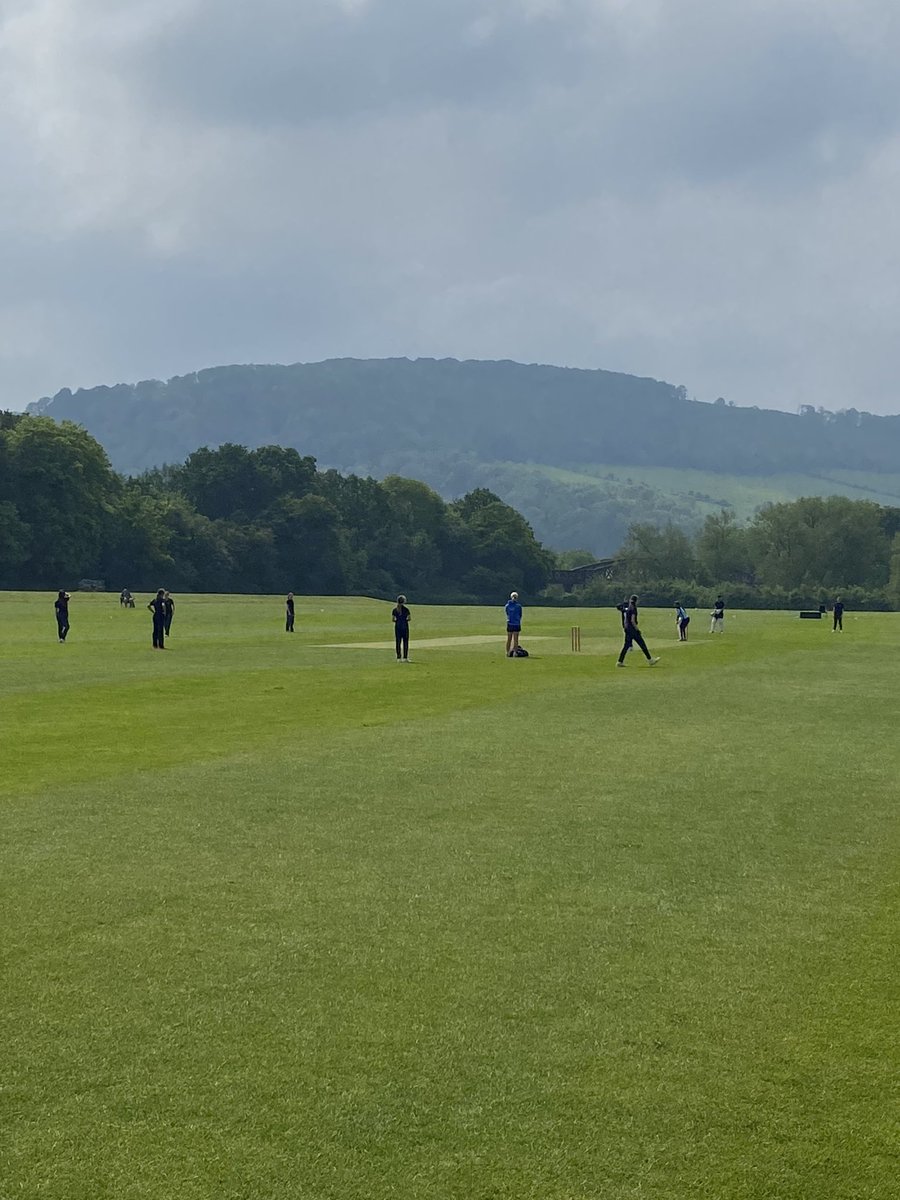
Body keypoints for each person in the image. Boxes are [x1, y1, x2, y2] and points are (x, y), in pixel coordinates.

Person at [616, 595, 660, 667]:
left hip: (627, 629)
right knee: (642, 644)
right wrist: (637, 629)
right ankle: (650, 660)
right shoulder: (633, 608)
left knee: (626, 646)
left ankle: (620, 661)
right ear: (636, 601)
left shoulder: (629, 607)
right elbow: (632, 620)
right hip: (632, 629)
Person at [392, 595, 411, 661]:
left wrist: (397, 621)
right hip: (405, 627)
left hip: (397, 627)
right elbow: (409, 618)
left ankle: (398, 657)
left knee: (398, 642)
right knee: (405, 642)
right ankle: (405, 657)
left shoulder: (395, 610)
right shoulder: (406, 610)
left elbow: (393, 619)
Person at [505, 591, 522, 657]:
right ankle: (515, 652)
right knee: (515, 639)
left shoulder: (507, 606)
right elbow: (520, 614)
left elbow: (507, 613)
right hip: (516, 623)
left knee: (509, 639)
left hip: (510, 623)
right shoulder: (518, 606)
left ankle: (507, 652)